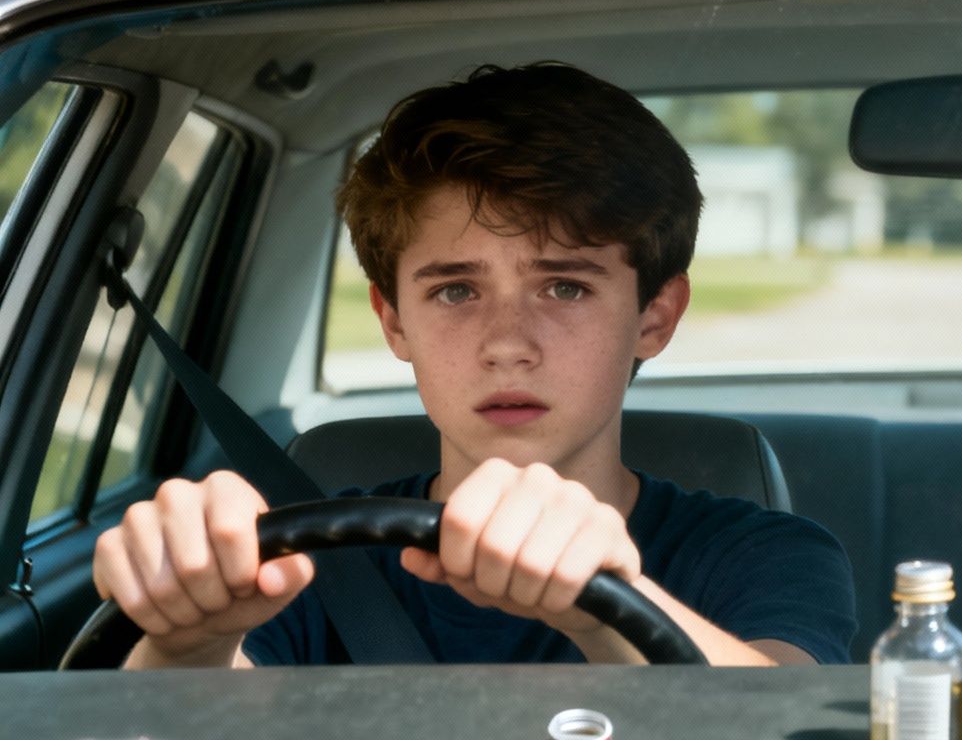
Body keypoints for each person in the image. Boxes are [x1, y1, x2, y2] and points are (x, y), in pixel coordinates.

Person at [99, 63, 856, 667]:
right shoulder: (308, 558)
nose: (506, 342)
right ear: (395, 321)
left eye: (564, 286)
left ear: (654, 316)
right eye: (456, 290)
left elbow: (779, 725)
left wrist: (608, 602)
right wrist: (189, 638)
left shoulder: (764, 554)